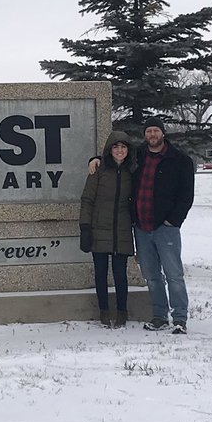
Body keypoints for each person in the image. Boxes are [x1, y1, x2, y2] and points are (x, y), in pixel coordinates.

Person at [90, 116, 195, 333]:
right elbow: (115, 157)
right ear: (145, 135)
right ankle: (159, 316)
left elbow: (186, 196)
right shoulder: (138, 156)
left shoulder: (180, 160)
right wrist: (94, 159)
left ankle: (179, 318)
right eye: (149, 131)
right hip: (142, 228)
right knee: (152, 275)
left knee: (173, 275)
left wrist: (173, 221)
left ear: (163, 133)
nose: (152, 135)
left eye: (156, 131)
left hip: (166, 229)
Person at [79, 131, 136, 328]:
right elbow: (87, 199)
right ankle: (104, 310)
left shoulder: (133, 170)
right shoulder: (99, 170)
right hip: (99, 227)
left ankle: (122, 311)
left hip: (121, 228)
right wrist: (85, 227)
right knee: (101, 272)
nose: (119, 151)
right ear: (109, 150)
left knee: (120, 273)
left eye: (123, 147)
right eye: (115, 147)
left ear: (128, 150)